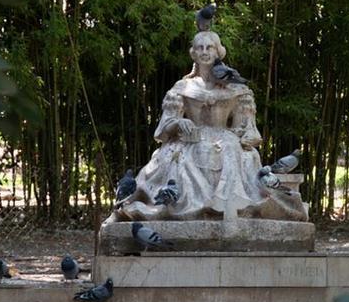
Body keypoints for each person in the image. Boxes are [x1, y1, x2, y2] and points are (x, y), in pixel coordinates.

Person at [111, 30, 307, 222]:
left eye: (210, 47)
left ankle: (228, 207)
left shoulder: (237, 89)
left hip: (226, 138)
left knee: (232, 151)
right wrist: (179, 122)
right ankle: (187, 207)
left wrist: (240, 136)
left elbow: (246, 130)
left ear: (218, 52)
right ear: (193, 53)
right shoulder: (182, 88)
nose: (205, 51)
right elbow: (163, 129)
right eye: (200, 48)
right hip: (189, 139)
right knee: (179, 157)